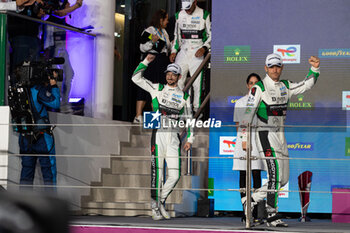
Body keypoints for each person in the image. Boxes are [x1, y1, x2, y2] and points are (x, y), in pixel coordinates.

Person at [241, 54, 320, 227]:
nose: (275, 69)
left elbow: (306, 85)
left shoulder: (285, 86)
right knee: (274, 175)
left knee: (282, 179)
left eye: (278, 66)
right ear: (266, 68)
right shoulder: (258, 88)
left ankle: (251, 198)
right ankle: (272, 215)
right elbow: (247, 114)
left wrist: (314, 69)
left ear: (282, 67)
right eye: (271, 66)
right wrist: (244, 138)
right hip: (265, 135)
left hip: (281, 136)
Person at [132, 54, 194, 220]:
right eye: (168, 73)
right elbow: (135, 78)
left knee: (175, 174)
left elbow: (189, 119)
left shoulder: (185, 97)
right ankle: (155, 207)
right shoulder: (157, 88)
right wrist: (145, 62)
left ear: (179, 77)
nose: (170, 76)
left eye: (174, 74)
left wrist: (190, 139)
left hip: (174, 137)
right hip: (158, 134)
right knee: (157, 174)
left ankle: (160, 201)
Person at [18, 71, 61, 188]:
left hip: (25, 138)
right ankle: (51, 205)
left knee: (26, 176)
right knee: (49, 175)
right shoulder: (38, 90)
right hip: (42, 138)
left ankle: (23, 206)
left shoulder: (18, 89)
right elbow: (56, 103)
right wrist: (53, 85)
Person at [233, 73, 265, 222]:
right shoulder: (240, 102)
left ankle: (257, 212)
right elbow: (238, 125)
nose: (253, 85)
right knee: (243, 176)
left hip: (257, 141)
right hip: (243, 141)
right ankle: (245, 211)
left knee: (256, 175)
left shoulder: (263, 102)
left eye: (256, 83)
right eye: (251, 83)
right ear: (247, 85)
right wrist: (243, 140)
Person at [169, 0, 211, 114]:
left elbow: (211, 36)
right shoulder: (179, 15)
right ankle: (179, 110)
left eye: (189, 8)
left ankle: (197, 112)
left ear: (195, 3)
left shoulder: (204, 14)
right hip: (183, 51)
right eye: (185, 8)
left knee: (197, 84)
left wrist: (204, 48)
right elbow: (176, 36)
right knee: (177, 81)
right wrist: (173, 51)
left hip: (197, 52)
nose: (187, 11)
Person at [43, 0, 83, 113]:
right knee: (58, 76)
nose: (68, 5)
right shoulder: (52, 3)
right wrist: (77, 6)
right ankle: (59, 104)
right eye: (67, 4)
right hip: (52, 45)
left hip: (60, 45)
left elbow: (62, 18)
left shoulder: (61, 4)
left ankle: (64, 104)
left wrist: (80, 30)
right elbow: (59, 14)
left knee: (69, 74)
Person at [133, 9, 171, 123]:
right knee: (144, 88)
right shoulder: (150, 30)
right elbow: (142, 48)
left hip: (162, 62)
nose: (168, 21)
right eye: (166, 19)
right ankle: (138, 116)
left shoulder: (164, 32)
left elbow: (168, 47)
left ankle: (156, 118)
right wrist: (152, 42)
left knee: (158, 89)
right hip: (151, 61)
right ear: (161, 19)